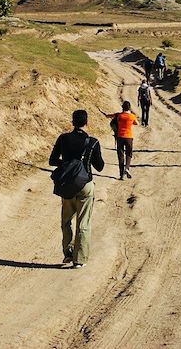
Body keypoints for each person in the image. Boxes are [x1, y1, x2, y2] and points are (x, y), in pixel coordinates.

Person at [48, 109, 105, 268]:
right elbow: (99, 167)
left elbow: (52, 161)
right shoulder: (93, 142)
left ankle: (68, 252)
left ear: (72, 122)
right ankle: (79, 259)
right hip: (85, 184)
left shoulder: (63, 138)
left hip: (67, 186)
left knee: (66, 221)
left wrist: (68, 165)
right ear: (87, 122)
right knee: (83, 223)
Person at [103, 101, 138, 180]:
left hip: (119, 137)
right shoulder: (132, 116)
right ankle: (127, 168)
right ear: (129, 108)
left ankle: (121, 174)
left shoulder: (118, 115)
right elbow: (137, 123)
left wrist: (104, 113)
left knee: (120, 155)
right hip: (129, 137)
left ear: (122, 107)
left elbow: (108, 116)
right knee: (129, 154)